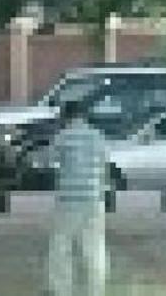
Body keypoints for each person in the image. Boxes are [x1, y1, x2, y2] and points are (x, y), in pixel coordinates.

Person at [48, 95, 109, 295]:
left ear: (67, 116)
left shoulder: (63, 137)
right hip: (94, 199)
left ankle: (61, 289)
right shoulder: (97, 135)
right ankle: (96, 290)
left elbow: (51, 160)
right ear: (83, 115)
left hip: (68, 201)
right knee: (94, 247)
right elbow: (104, 164)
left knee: (61, 245)